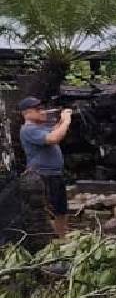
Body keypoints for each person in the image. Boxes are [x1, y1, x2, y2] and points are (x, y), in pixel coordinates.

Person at [18, 97, 72, 238]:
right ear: (27, 113)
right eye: (38, 109)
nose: (43, 112)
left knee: (61, 210)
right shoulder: (28, 130)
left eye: (43, 108)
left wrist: (63, 117)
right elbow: (53, 138)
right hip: (42, 176)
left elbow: (55, 130)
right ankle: (48, 242)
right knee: (47, 212)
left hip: (55, 174)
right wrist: (66, 121)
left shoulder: (40, 128)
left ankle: (61, 240)